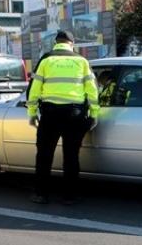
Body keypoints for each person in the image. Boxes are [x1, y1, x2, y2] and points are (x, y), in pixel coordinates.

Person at [27, 30, 99, 205]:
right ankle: (69, 196)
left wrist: (32, 112)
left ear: (56, 43)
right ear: (71, 44)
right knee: (71, 155)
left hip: (50, 114)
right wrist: (94, 114)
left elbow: (34, 88)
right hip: (75, 115)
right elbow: (92, 90)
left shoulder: (46, 60)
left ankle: (40, 194)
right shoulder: (81, 61)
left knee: (44, 154)